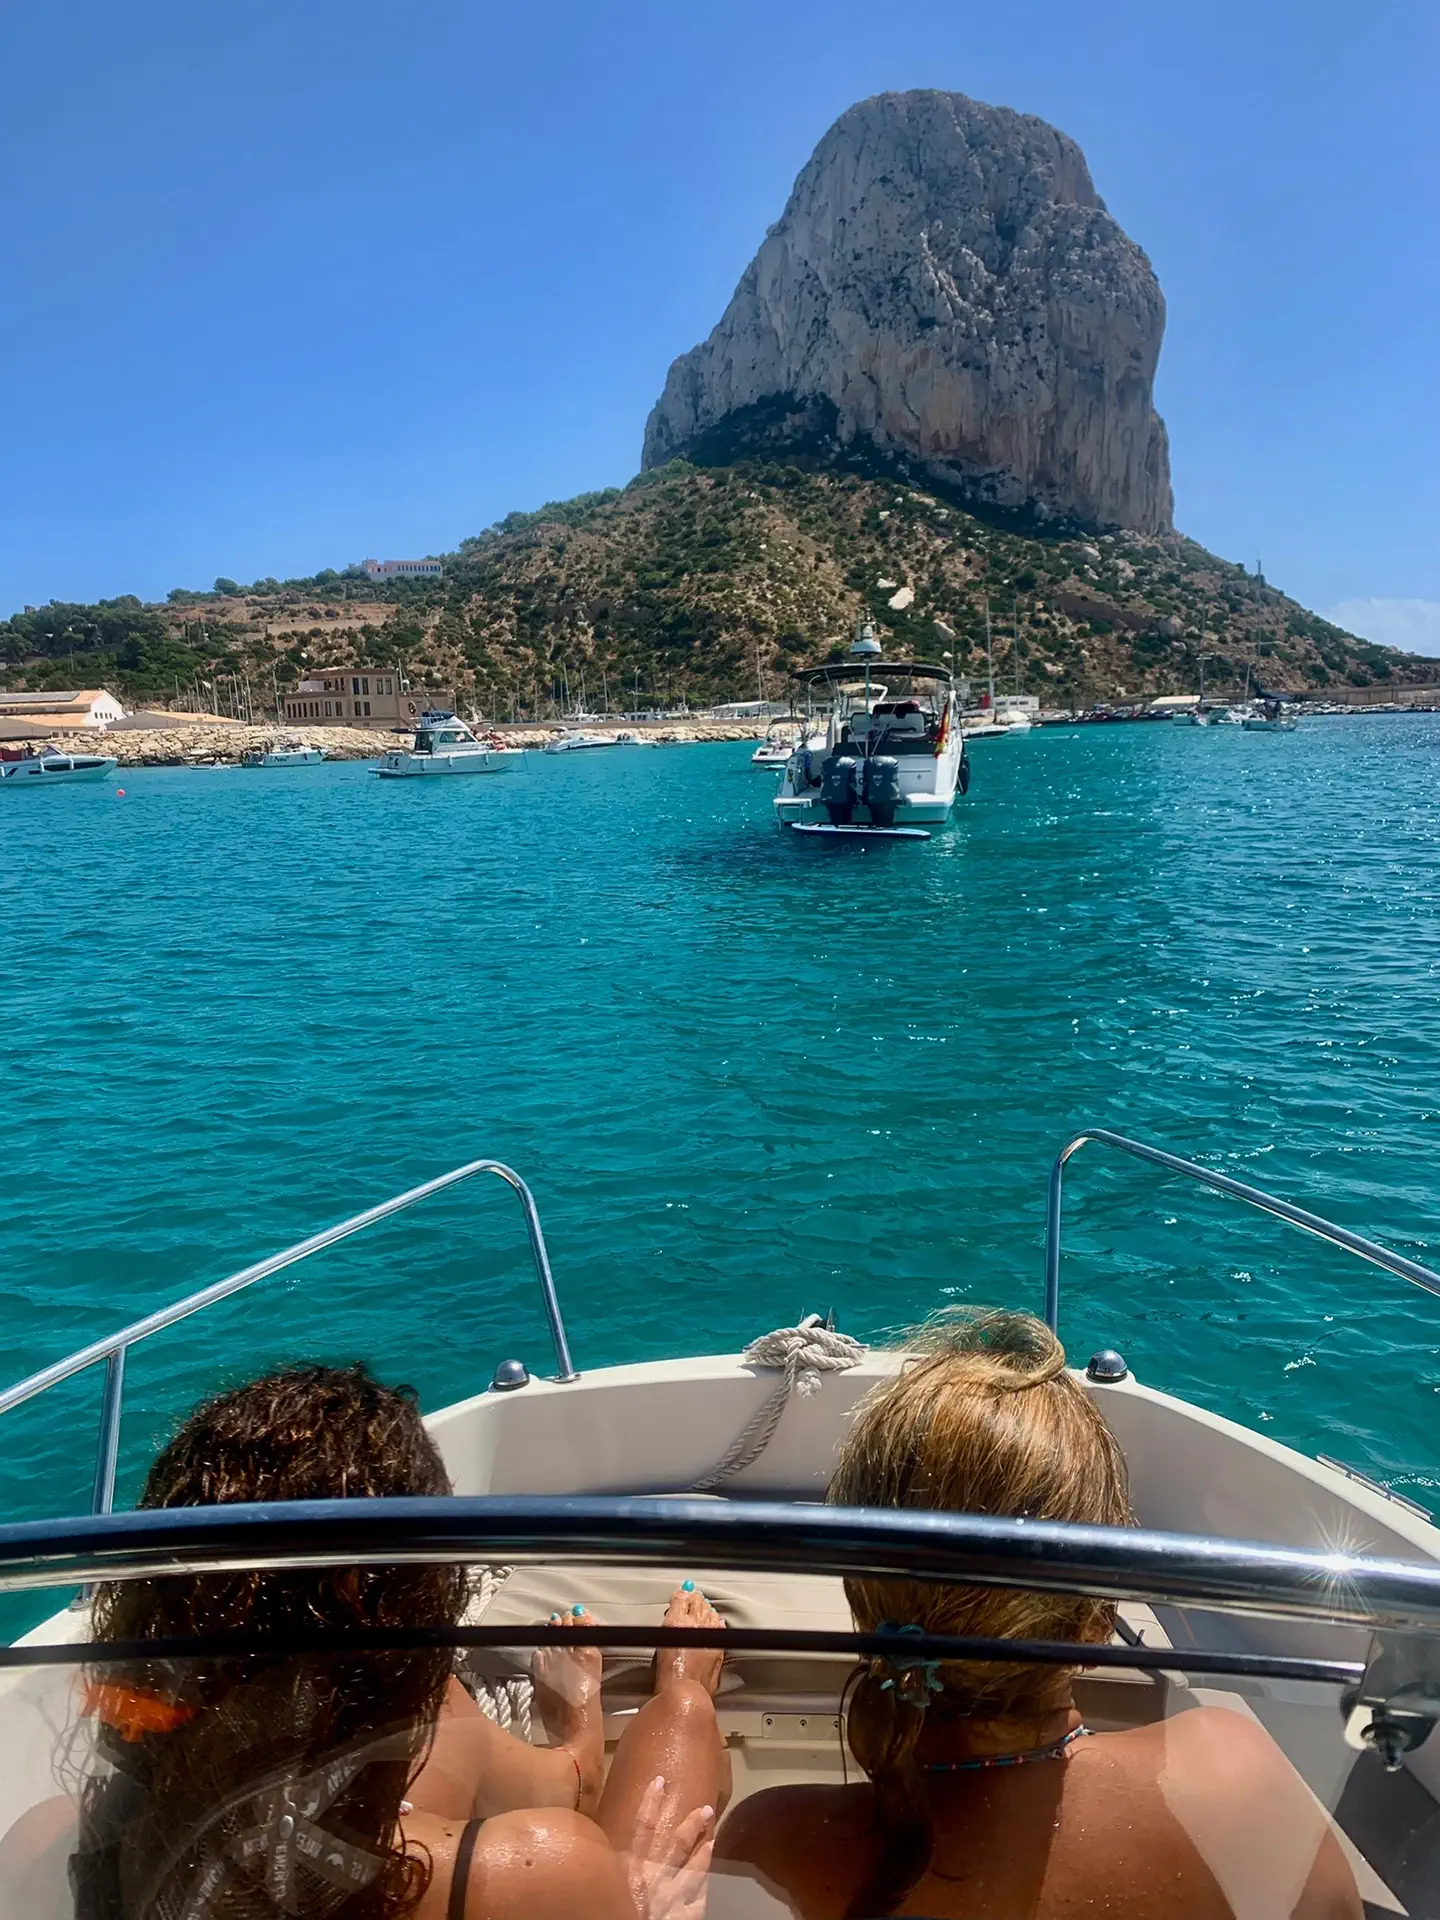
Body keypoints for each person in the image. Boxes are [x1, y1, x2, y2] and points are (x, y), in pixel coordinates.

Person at [0, 1363, 726, 1920]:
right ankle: (588, 1739)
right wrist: (640, 1908)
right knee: (681, 1716)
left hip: (233, 1807)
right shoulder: (547, 1875)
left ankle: (568, 1749)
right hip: (481, 1872)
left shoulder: (46, 1844)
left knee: (455, 1730)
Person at [714, 1310, 1362, 1920]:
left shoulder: (774, 1844)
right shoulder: (1233, 1777)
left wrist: (683, 1702)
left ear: (864, 1596)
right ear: (1095, 1617)